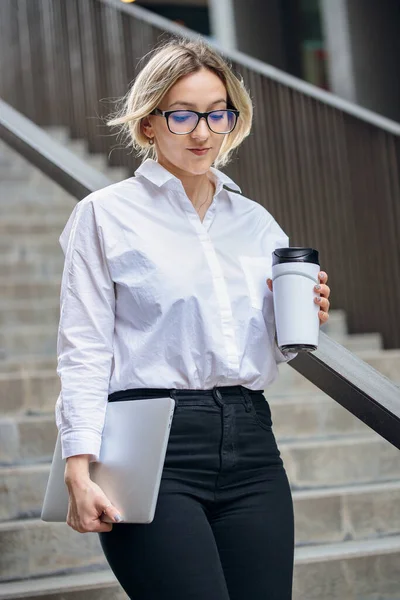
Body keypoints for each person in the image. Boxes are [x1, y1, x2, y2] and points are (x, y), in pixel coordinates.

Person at [56, 37, 331, 600]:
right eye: (182, 115)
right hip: (150, 441)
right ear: (149, 123)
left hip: (250, 439)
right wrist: (77, 468)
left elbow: (260, 347)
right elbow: (83, 349)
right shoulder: (105, 216)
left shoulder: (256, 223)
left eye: (216, 113)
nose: (202, 132)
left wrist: (300, 320)